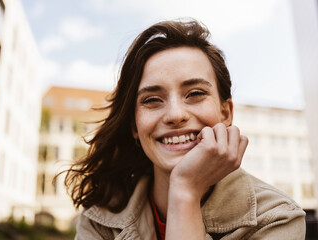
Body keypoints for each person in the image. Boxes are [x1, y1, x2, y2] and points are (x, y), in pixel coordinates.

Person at [63, 18, 306, 239]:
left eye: (195, 94)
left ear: (226, 113)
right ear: (134, 126)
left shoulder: (277, 219)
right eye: (152, 100)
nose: (175, 115)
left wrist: (185, 191)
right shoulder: (99, 221)